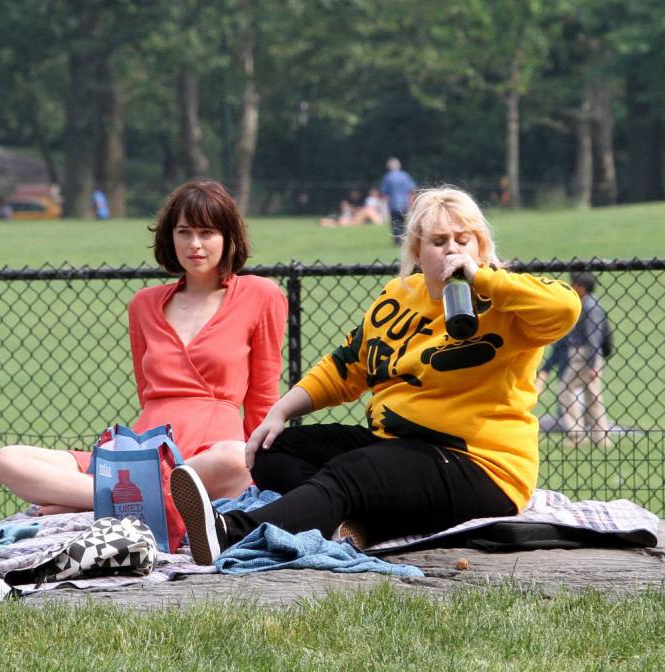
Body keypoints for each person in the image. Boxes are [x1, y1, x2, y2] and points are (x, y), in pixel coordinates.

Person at [168, 185, 581, 565]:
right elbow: (346, 366)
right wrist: (280, 412)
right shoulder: (398, 296)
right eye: (439, 241)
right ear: (417, 251)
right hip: (396, 446)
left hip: (477, 465)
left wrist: (480, 277)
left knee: (351, 475)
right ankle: (346, 522)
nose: (452, 250)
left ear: (481, 246)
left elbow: (565, 308)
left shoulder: (507, 302)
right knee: (274, 451)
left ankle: (229, 532)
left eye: (463, 240)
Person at [0, 180, 288, 515]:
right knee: (8, 460)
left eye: (207, 233)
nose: (195, 244)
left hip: (212, 453)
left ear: (228, 238)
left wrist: (266, 470)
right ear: (170, 237)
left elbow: (264, 398)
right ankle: (124, 498)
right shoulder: (144, 304)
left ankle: (89, 501)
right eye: (184, 232)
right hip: (139, 452)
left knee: (235, 459)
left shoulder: (260, 295)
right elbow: (148, 395)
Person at [558, 272, 611, 446]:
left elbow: (593, 337)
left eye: (574, 284)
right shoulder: (590, 303)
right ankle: (601, 437)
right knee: (593, 396)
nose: (572, 287)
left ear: (581, 287)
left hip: (583, 355)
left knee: (565, 391)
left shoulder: (589, 307)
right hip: (589, 355)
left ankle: (576, 434)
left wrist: (593, 363)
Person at [379, 157, 416, 244]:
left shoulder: (388, 177)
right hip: (404, 203)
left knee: (396, 222)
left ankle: (397, 240)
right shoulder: (405, 175)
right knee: (403, 222)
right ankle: (403, 238)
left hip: (394, 204)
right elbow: (412, 188)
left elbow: (384, 192)